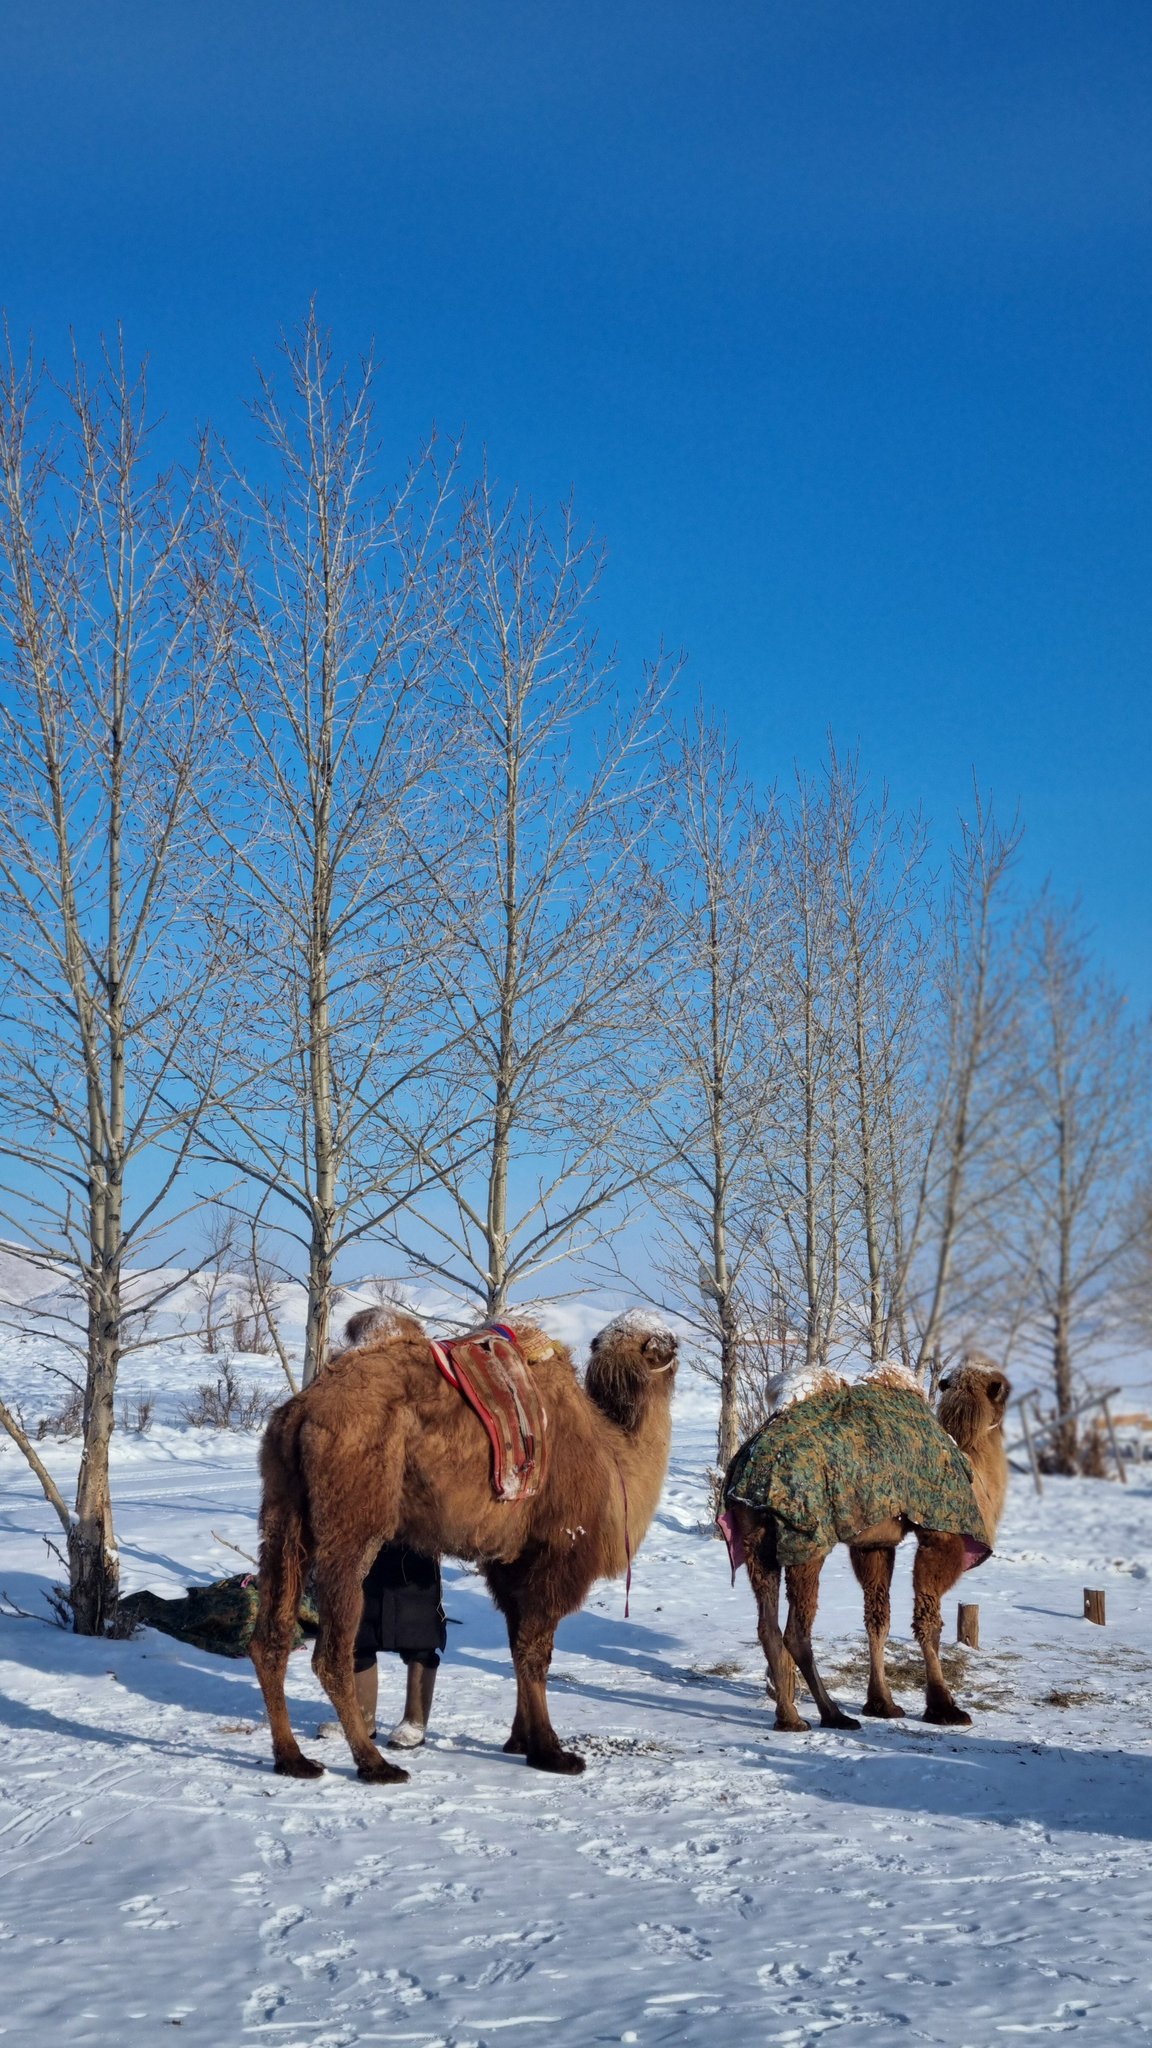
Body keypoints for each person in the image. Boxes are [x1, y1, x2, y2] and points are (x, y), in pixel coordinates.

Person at [352, 1540, 447, 1748]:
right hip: (369, 1544)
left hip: (417, 1542)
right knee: (360, 1633)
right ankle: (360, 1718)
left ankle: (415, 1720)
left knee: (420, 1633)